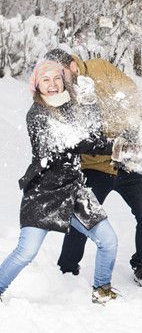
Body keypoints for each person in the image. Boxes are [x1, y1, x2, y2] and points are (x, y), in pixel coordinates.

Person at [0, 60, 118, 304]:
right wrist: (108, 146)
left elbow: (93, 137)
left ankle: (102, 289)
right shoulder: (36, 114)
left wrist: (91, 106)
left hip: (74, 189)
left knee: (108, 240)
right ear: (37, 85)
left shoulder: (72, 106)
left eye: (56, 79)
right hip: (44, 191)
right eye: (46, 80)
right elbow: (69, 143)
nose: (52, 84)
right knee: (26, 252)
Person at [44, 49, 142, 288]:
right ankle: (67, 269)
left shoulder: (100, 68)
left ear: (73, 65)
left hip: (128, 164)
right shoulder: (62, 94)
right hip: (94, 166)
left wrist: (128, 123)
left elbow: (129, 92)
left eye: (60, 73)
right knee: (82, 217)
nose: (57, 80)